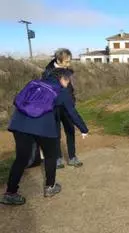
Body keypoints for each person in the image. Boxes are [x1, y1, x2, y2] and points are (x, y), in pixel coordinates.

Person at [0, 68, 89, 205]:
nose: (69, 82)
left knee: (21, 159)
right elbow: (72, 113)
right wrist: (84, 129)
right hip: (44, 127)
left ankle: (10, 193)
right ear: (61, 79)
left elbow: (18, 100)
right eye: (68, 79)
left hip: (19, 124)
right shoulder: (62, 92)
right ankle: (50, 187)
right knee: (50, 156)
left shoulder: (34, 83)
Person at [29, 48, 82, 169]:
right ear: (58, 60)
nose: (69, 64)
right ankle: (57, 158)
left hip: (67, 106)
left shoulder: (68, 71)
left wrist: (72, 101)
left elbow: (70, 88)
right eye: (67, 61)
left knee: (70, 131)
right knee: (55, 133)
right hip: (54, 108)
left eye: (70, 61)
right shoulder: (47, 72)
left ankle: (72, 157)